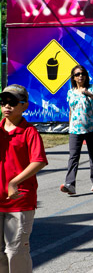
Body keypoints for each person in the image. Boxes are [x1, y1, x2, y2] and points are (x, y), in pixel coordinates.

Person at [0, 85, 48, 272]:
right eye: (3, 101)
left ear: (24, 106)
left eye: (12, 102)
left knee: (15, 252)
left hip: (19, 200)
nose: (7, 106)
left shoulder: (29, 132)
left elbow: (39, 161)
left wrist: (14, 182)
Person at [61, 65, 93, 195]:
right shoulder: (70, 92)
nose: (80, 76)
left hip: (90, 127)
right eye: (77, 74)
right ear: (73, 77)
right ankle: (70, 184)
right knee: (73, 157)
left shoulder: (92, 87)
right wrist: (70, 126)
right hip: (75, 129)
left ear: (86, 75)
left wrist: (90, 94)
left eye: (82, 73)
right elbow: (71, 110)